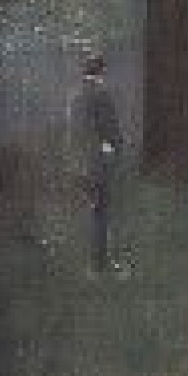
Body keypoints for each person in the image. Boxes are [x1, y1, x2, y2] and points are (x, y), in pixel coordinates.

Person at [66, 54, 125, 276]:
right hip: (98, 162)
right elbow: (111, 130)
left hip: (79, 161)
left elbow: (73, 133)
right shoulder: (101, 95)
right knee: (101, 212)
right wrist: (117, 149)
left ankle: (95, 262)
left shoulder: (75, 96)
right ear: (102, 72)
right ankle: (100, 264)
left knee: (91, 210)